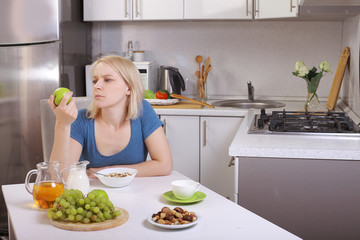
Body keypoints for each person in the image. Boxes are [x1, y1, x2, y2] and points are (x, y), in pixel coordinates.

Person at [48, 55, 173, 177]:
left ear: (128, 88)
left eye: (107, 80)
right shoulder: (80, 119)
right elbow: (61, 176)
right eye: (95, 81)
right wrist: (61, 125)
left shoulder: (143, 111)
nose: (97, 86)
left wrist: (108, 172)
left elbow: (164, 165)